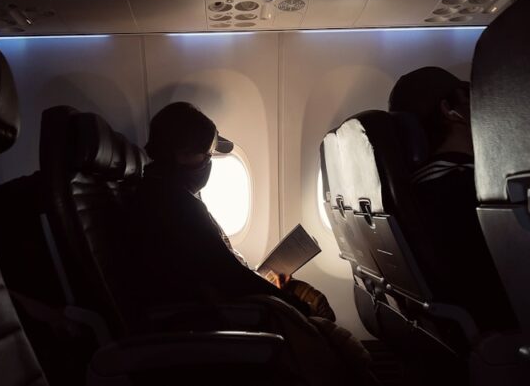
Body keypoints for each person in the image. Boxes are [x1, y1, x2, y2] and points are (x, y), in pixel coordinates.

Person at [129, 101, 376, 386]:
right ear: (181, 155)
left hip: (211, 302)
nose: (209, 164)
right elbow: (225, 275)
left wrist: (269, 285)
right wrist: (289, 302)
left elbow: (214, 266)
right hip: (199, 319)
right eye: (207, 155)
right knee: (318, 320)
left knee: (312, 307)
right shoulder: (172, 204)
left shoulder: (167, 193)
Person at [388, 67, 517, 331]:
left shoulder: (421, 183)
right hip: (501, 326)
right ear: (449, 110)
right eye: (469, 100)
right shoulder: (464, 187)